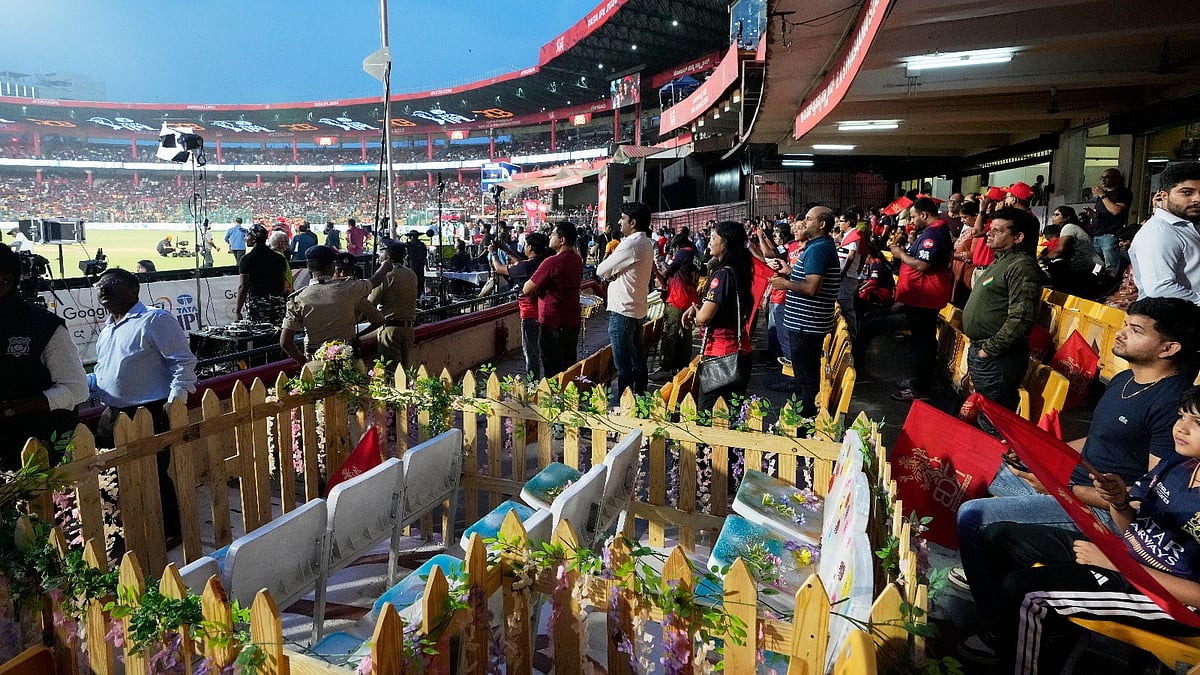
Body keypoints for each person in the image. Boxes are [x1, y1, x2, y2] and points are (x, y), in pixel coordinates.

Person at [952, 297, 1200, 590]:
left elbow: (1147, 498)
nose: (1120, 334)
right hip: (1069, 488)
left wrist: (1063, 490)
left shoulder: (1173, 403)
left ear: (1169, 348)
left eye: (1135, 330)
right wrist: (1038, 455)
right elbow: (1096, 440)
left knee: (972, 516)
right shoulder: (1123, 380)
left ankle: (993, 594)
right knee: (981, 465)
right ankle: (992, 563)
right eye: (1123, 326)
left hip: (1102, 513)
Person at [959, 386, 1200, 672]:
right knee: (997, 536)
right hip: (1122, 556)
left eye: (1196, 423)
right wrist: (1119, 502)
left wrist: (1115, 565)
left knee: (1026, 591)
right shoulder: (1178, 463)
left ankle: (1023, 652)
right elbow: (1130, 528)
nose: (1181, 428)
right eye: (1182, 416)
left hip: (1169, 602)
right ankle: (1025, 634)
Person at [90, 267, 197, 541]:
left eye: (111, 283)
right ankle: (122, 527)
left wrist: (175, 401)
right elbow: (105, 371)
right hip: (111, 413)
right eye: (99, 285)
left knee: (154, 476)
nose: (103, 289)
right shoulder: (108, 329)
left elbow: (182, 362)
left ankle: (172, 531)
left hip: (148, 411)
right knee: (110, 475)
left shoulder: (154, 319)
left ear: (132, 290)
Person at [0, 245, 88, 470]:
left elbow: (77, 390)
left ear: (5, 281)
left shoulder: (44, 326)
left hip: (31, 453)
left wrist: (12, 408)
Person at [961, 207, 1042, 428]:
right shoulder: (1002, 260)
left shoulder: (1021, 266)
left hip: (998, 359)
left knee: (994, 422)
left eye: (998, 230)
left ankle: (996, 461)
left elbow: (1021, 319)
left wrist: (989, 350)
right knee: (985, 415)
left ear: (1018, 237)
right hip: (985, 354)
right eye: (990, 229)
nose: (989, 233)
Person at [769, 206, 841, 416]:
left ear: (821, 224)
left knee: (807, 379)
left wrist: (785, 284)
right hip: (807, 322)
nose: (803, 223)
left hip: (806, 325)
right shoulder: (817, 246)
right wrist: (790, 272)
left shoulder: (819, 249)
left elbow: (811, 287)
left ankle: (806, 417)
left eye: (809, 219)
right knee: (805, 375)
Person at [279, 245, 389, 365]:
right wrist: (385, 266)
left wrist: (303, 361)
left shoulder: (298, 298)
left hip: (315, 360)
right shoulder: (349, 289)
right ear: (331, 267)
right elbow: (375, 281)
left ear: (308, 267)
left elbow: (285, 342)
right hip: (346, 358)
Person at [890, 197, 954, 401]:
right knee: (920, 341)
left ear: (924, 215)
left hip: (926, 297)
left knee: (923, 343)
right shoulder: (931, 231)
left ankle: (921, 388)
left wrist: (900, 254)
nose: (912, 221)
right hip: (919, 297)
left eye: (914, 216)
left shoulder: (934, 233)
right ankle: (918, 380)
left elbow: (921, 265)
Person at [684, 221, 753, 409]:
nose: (708, 243)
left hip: (721, 356)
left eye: (713, 238)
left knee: (709, 413)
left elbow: (704, 318)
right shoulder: (741, 270)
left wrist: (697, 312)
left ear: (725, 243)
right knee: (731, 412)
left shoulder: (722, 275)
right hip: (740, 352)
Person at [596, 202, 656, 401]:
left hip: (623, 312)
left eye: (623, 218)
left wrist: (610, 275)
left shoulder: (630, 243)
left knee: (623, 366)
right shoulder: (646, 242)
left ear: (633, 222)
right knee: (638, 361)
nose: (620, 222)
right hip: (636, 309)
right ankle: (640, 399)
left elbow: (601, 270)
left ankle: (626, 403)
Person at [1129, 160, 1200, 304]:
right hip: (1173, 320)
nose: (1197, 199)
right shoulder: (1159, 232)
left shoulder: (1187, 226)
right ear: (1164, 196)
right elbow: (1160, 289)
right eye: (1187, 192)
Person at [523, 222, 584, 380]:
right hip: (572, 322)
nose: (550, 237)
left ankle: (554, 402)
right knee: (568, 367)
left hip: (553, 323)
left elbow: (527, 289)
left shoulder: (552, 262)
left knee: (552, 370)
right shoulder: (577, 260)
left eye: (553, 234)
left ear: (562, 240)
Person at [495, 233, 551, 380]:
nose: (524, 248)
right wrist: (507, 251)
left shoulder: (526, 266)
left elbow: (500, 269)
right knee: (546, 350)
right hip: (546, 312)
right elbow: (521, 263)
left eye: (526, 245)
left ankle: (533, 383)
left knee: (531, 352)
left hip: (530, 314)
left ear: (530, 247)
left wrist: (493, 253)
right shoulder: (543, 262)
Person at [650, 233, 701, 381]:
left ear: (677, 246)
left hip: (678, 298)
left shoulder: (683, 252)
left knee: (670, 333)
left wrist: (658, 267)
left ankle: (666, 367)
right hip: (690, 299)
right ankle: (683, 366)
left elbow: (666, 272)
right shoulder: (695, 255)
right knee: (685, 334)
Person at [370, 243, 419, 371]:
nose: (379, 256)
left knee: (391, 373)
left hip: (390, 330)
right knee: (405, 371)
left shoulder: (386, 276)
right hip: (408, 328)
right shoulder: (411, 274)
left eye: (382, 252)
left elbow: (371, 303)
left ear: (388, 256)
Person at [235, 227, 288, 324]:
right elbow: (283, 281)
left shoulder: (247, 259)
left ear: (254, 239)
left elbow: (243, 286)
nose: (245, 238)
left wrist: (238, 311)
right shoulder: (279, 258)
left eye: (248, 235)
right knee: (277, 333)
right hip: (278, 303)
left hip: (258, 304)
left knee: (260, 335)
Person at [1042, 205, 1099, 295]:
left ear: (1066, 217)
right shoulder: (1072, 227)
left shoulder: (1068, 227)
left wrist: (1043, 258)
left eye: (1057, 215)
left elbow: (1060, 250)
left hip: (1086, 267)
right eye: (1053, 215)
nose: (1053, 217)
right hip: (1091, 266)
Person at [1091, 168, 1134, 275]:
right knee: (1097, 266)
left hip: (1110, 235)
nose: (1104, 180)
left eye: (1107, 177)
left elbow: (1116, 210)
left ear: (1118, 179)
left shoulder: (1123, 193)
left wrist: (1102, 195)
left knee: (1111, 268)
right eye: (1102, 177)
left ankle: (1110, 286)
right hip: (1096, 234)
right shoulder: (1103, 195)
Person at [835, 210, 866, 340]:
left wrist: (844, 272)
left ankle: (852, 336)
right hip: (848, 275)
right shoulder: (848, 235)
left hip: (847, 277)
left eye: (841, 221)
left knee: (846, 307)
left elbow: (851, 255)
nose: (839, 224)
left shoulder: (855, 235)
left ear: (848, 222)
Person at [406, 230, 428, 296]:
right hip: (420, 267)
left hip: (411, 266)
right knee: (420, 283)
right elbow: (425, 256)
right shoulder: (422, 245)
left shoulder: (409, 245)